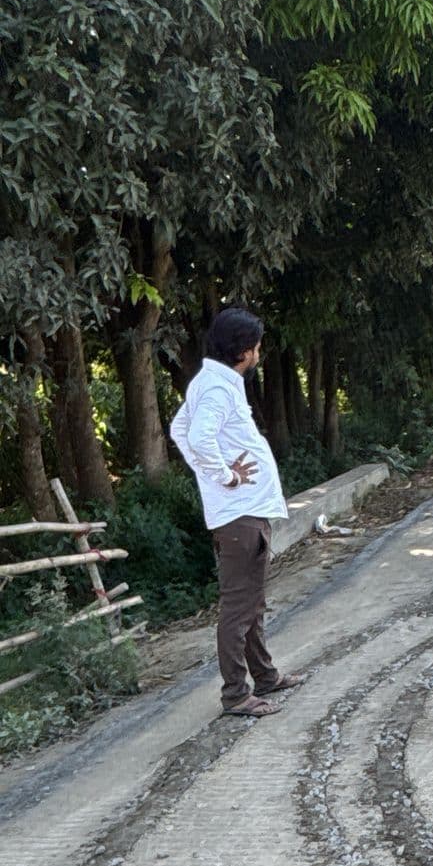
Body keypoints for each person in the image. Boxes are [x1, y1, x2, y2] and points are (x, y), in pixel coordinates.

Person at [170, 306, 302, 718]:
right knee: (238, 608)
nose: (260, 354)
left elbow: (178, 429)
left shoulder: (216, 382)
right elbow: (195, 436)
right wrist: (225, 478)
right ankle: (235, 695)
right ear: (243, 351)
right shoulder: (215, 388)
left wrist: (219, 476)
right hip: (238, 515)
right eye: (258, 348)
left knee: (252, 603)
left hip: (245, 512)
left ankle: (264, 677)